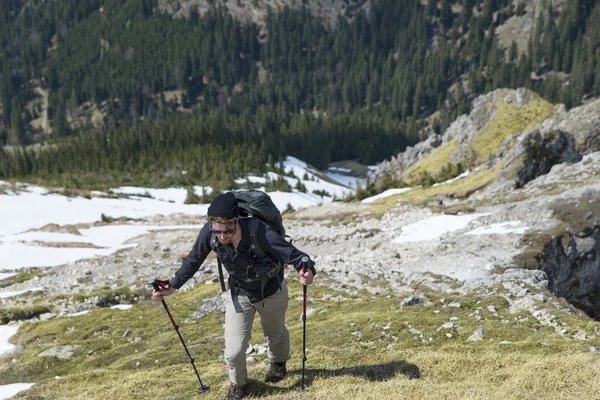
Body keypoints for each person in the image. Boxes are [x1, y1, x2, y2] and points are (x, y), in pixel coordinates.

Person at [152, 191, 316, 400]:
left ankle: (278, 363)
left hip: (272, 291)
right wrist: (173, 286)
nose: (221, 236)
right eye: (217, 230)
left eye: (227, 230)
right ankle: (239, 384)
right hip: (240, 293)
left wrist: (306, 270)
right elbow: (194, 259)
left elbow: (296, 256)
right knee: (234, 351)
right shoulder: (210, 233)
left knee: (275, 334)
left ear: (236, 220)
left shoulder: (260, 232)